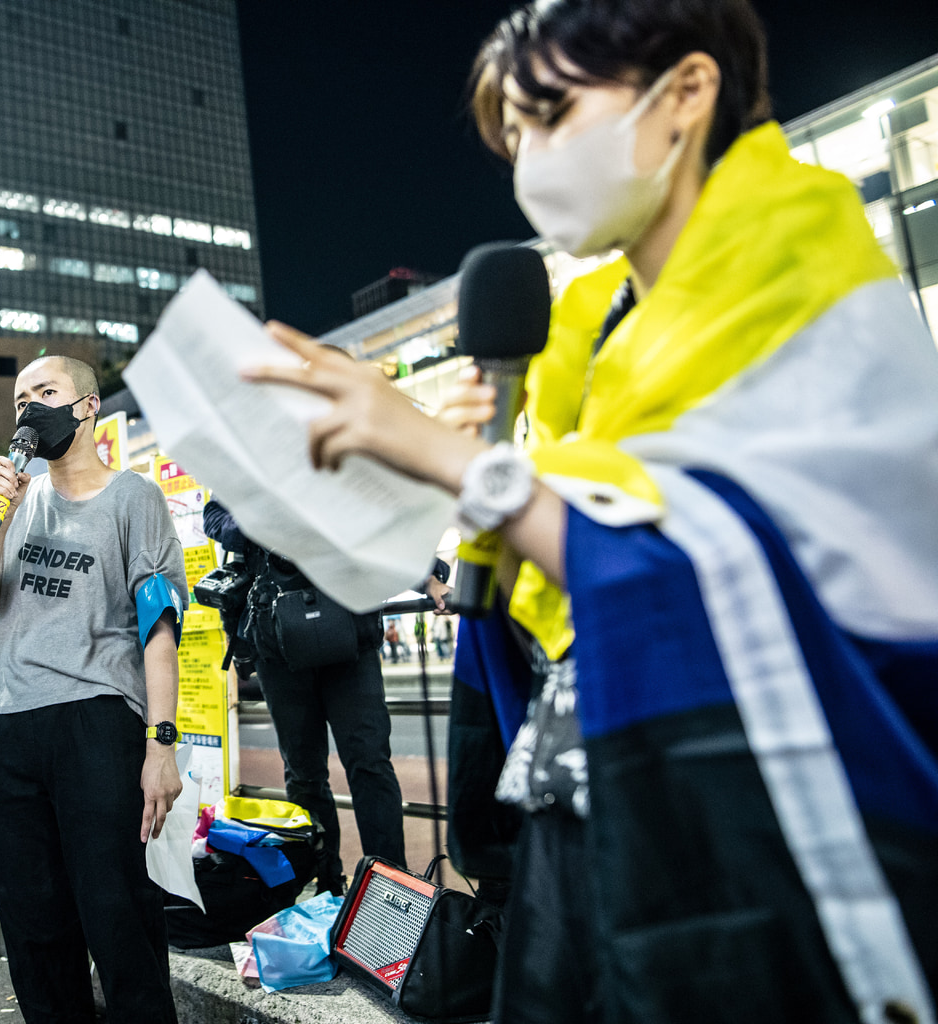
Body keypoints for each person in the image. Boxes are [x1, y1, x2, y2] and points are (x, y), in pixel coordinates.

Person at [244, 1, 938, 1019]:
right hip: (591, 790)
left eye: (556, 112)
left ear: (687, 94)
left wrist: (452, 460)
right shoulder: (602, 328)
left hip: (753, 826)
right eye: (513, 136)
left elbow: (716, 571)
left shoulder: (808, 266)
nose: (530, 159)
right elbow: (603, 561)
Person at [0, 355, 187, 1024]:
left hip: (96, 723)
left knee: (118, 915)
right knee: (33, 928)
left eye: (46, 392)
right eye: (21, 398)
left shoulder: (132, 496)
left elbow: (159, 627)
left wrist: (161, 742)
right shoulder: (16, 504)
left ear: (86, 406)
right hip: (6, 723)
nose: (30, 409)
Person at [203, 499, 450, 894]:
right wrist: (268, 516)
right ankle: (325, 883)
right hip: (279, 643)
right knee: (303, 773)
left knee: (369, 762)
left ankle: (389, 887)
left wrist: (428, 578)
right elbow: (215, 518)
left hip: (350, 633)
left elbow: (380, 523)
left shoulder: (337, 452)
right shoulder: (250, 453)